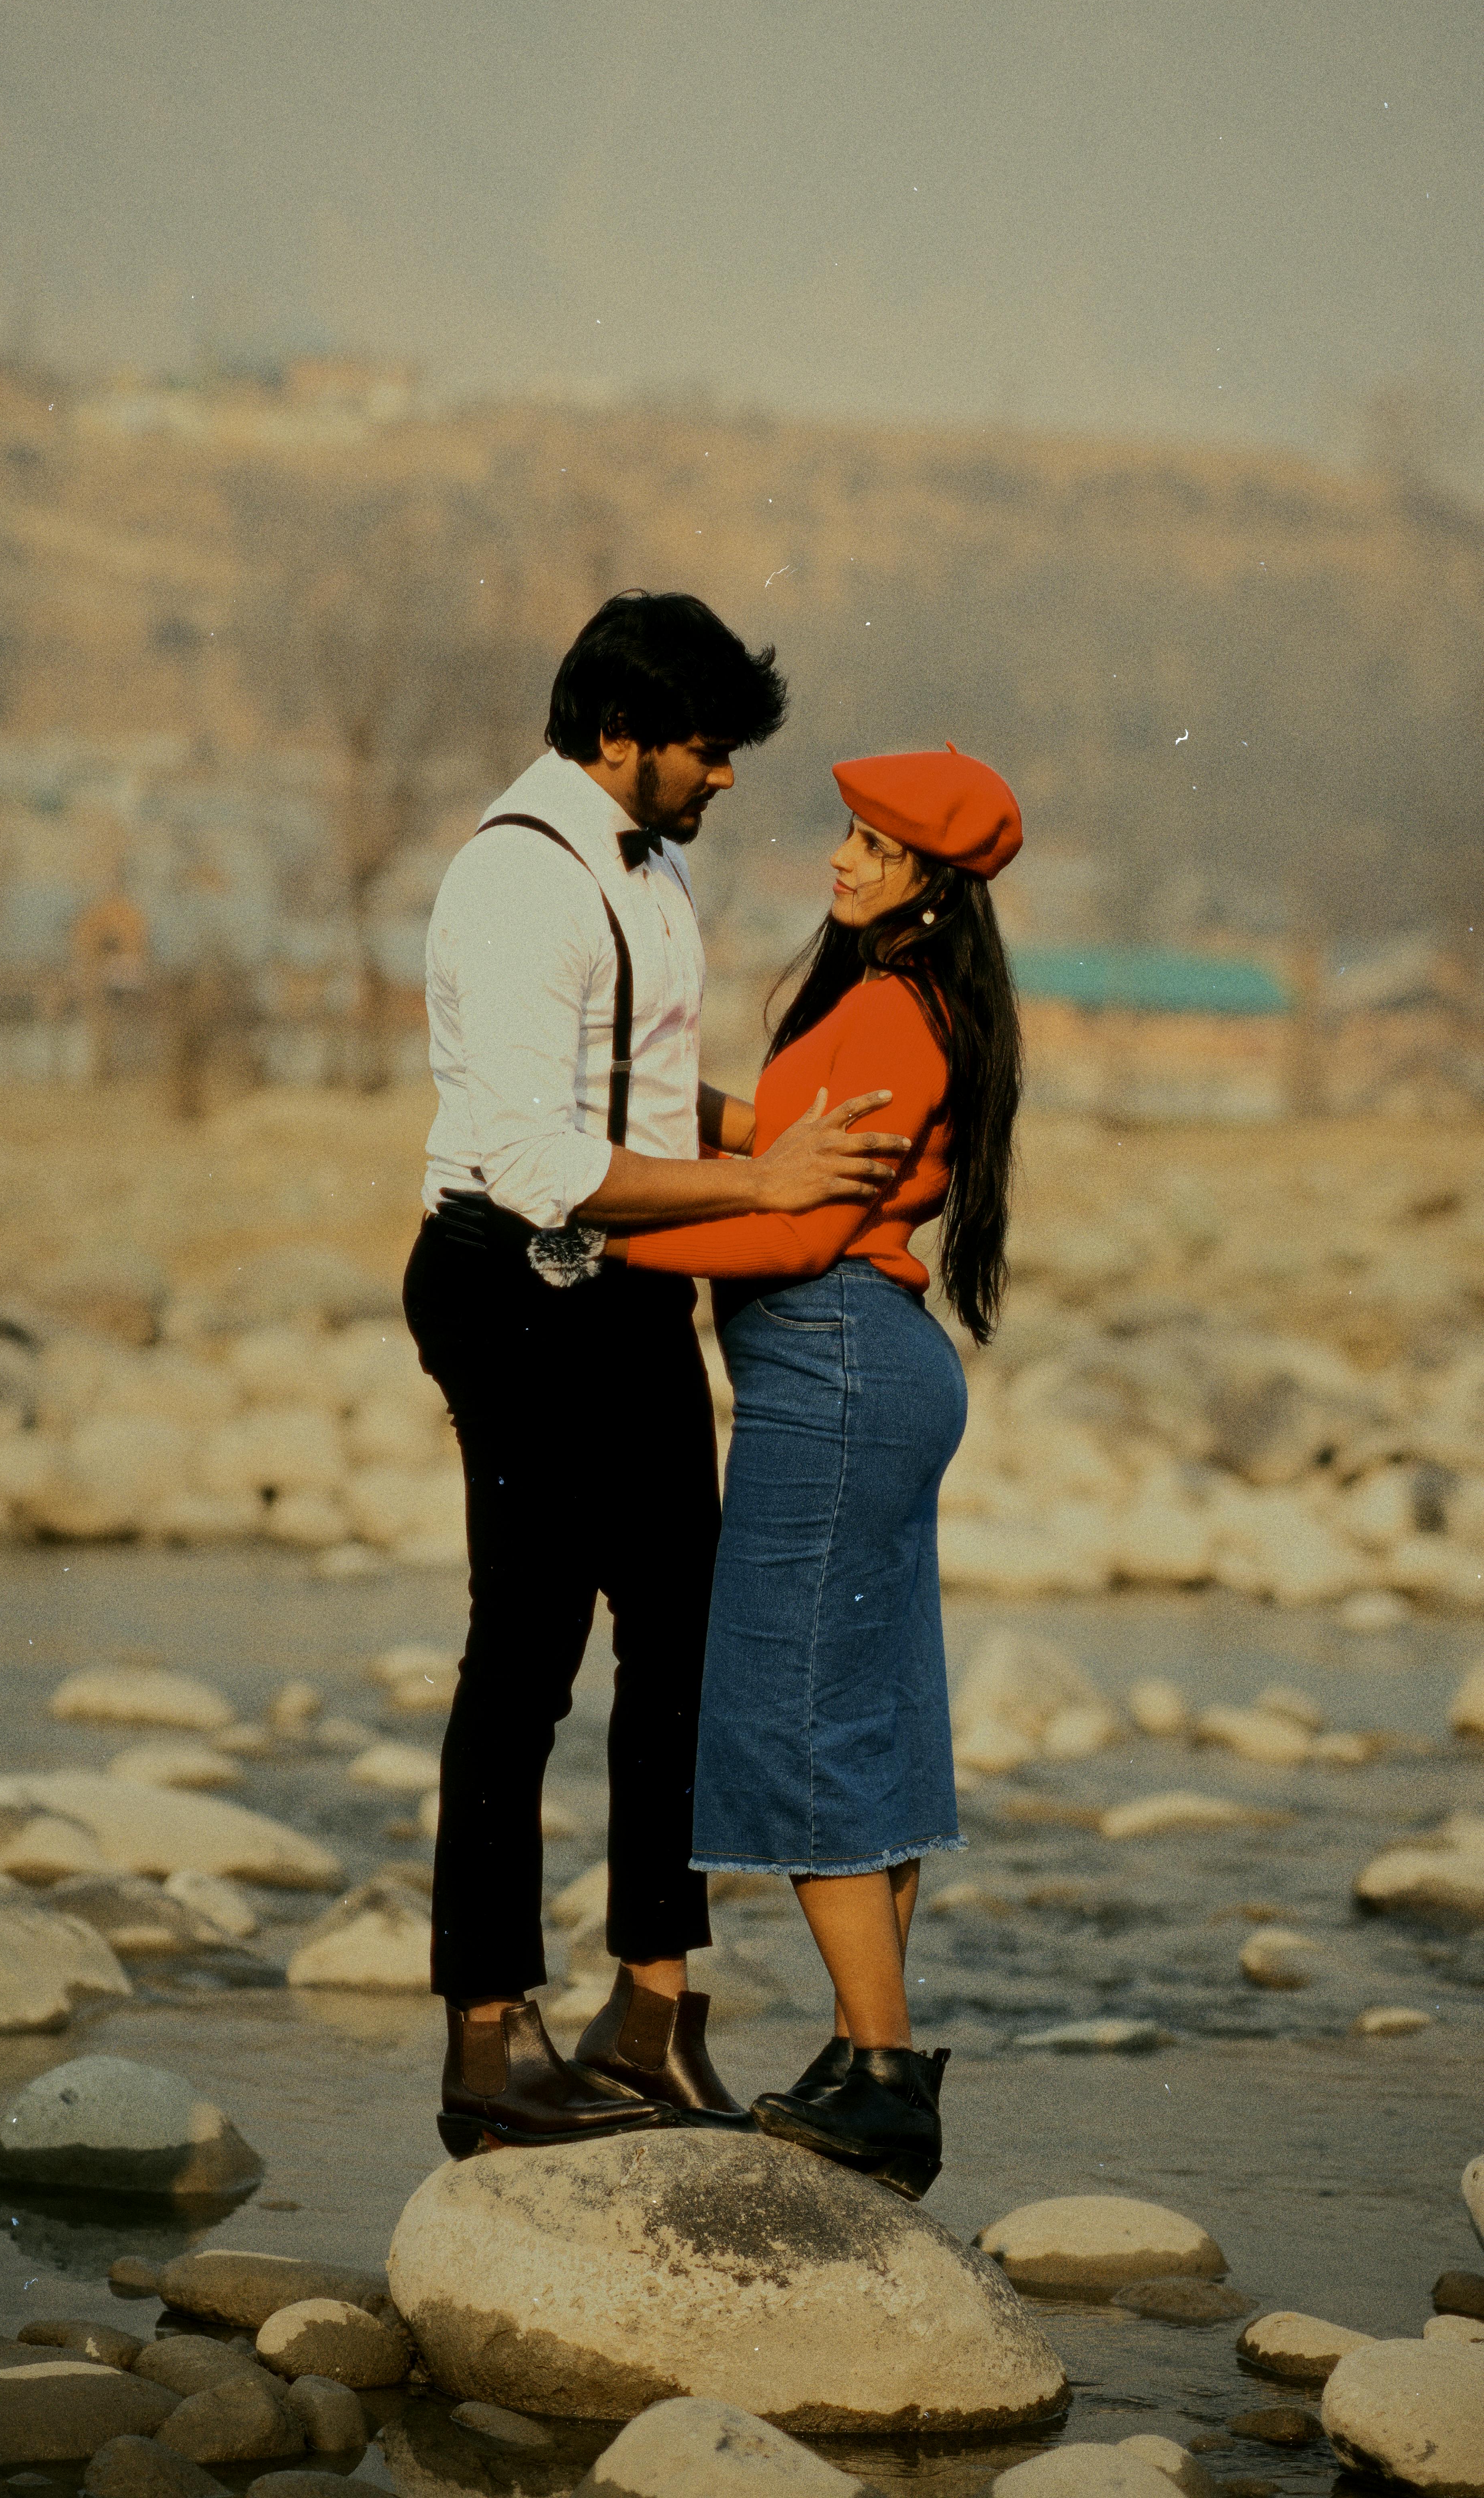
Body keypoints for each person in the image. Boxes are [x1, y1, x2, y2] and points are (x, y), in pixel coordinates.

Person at [403, 592, 913, 2158]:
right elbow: (537, 1152)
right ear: (617, 738)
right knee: (527, 1654)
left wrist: (759, 1128)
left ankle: (650, 2012)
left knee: (679, 1648)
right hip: (512, 1282)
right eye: (707, 749)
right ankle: (487, 2037)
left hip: (629, 1280)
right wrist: (760, 1194)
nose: (728, 777)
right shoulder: (512, 882)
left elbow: (620, 1079)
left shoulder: (656, 860)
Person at [613, 740, 1024, 2200]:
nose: (841, 858)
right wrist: (674, 1115)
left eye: (870, 843)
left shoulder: (898, 1019)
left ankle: (890, 2082)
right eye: (847, 835)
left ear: (928, 878)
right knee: (874, 1726)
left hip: (835, 1367)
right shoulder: (899, 1002)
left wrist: (603, 1235)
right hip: (869, 1367)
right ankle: (865, 2060)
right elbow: (787, 1153)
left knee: (798, 1722)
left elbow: (792, 1228)